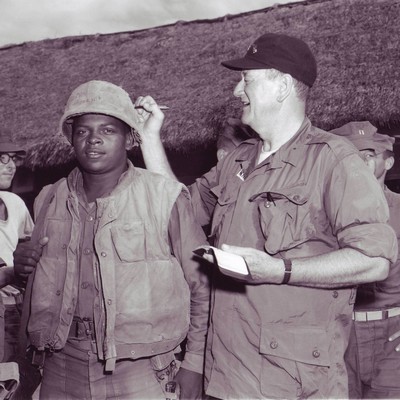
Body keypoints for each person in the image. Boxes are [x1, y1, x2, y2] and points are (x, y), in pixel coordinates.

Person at [138, 33, 398, 399]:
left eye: (247, 79)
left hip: (291, 383)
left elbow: (375, 261)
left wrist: (280, 270)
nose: (236, 90)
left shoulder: (333, 159)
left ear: (282, 86)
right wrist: (150, 138)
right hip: (226, 375)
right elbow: (177, 210)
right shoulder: (237, 161)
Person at [13, 80, 210, 399]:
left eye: (108, 130)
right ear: (71, 139)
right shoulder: (49, 200)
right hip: (60, 368)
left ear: (130, 138)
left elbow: (202, 285)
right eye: (82, 131)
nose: (93, 140)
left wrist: (195, 363)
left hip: (141, 372)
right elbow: (37, 285)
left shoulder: (164, 198)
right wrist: (24, 269)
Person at [331, 121, 400, 399]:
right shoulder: (326, 213)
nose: (361, 162)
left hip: (392, 334)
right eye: (353, 155)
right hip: (341, 333)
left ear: (389, 161)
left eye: (369, 155)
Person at [0, 135, 34, 362]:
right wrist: (14, 272)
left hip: (17, 304)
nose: (11, 166)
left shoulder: (15, 202)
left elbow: (27, 244)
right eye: (2, 158)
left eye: (13, 159)